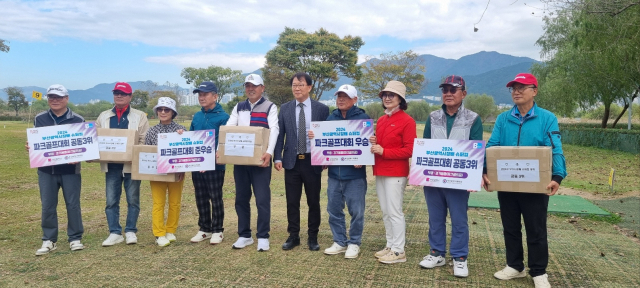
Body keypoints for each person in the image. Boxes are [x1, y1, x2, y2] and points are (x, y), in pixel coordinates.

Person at [482, 73, 566, 288]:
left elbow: (555, 149)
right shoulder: (503, 119)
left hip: (536, 186)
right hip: (506, 184)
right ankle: (515, 266)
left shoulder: (547, 118)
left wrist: (557, 176)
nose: (516, 92)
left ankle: (538, 271)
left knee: (535, 229)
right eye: (513, 88)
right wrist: (484, 169)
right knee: (510, 227)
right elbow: (492, 146)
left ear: (534, 91)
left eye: (522, 87)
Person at [419, 75, 483, 277]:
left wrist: (474, 176)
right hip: (434, 177)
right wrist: (421, 173)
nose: (448, 93)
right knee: (435, 218)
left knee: (459, 219)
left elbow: (475, 148)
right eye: (444, 90)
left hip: (459, 179)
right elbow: (426, 145)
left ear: (463, 93)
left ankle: (460, 257)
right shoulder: (433, 116)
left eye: (452, 90)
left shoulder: (473, 118)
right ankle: (437, 253)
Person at [308, 84, 369, 259]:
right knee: (334, 209)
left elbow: (367, 145)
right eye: (339, 96)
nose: (341, 100)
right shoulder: (331, 118)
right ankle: (340, 241)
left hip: (355, 176)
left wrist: (362, 159)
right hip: (334, 174)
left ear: (355, 99)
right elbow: (324, 142)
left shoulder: (362, 118)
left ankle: (355, 242)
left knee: (356, 211)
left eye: (346, 97)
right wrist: (315, 139)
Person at [274, 72, 330, 251]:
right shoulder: (285, 108)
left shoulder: (321, 109)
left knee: (313, 200)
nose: (296, 88)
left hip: (312, 161)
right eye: (294, 85)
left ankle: (313, 236)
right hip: (291, 161)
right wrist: (277, 156)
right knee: (292, 201)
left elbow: (327, 134)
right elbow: (280, 134)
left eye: (300, 84)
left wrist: (325, 156)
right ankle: (294, 235)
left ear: (309, 87)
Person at [28, 84, 85, 255]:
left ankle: (75, 238)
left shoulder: (78, 120)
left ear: (66, 98)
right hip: (46, 170)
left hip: (70, 171)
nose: (55, 100)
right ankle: (49, 239)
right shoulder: (39, 118)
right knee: (48, 206)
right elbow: (37, 142)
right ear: (47, 98)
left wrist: (78, 156)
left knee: (73, 205)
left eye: (59, 97)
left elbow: (84, 147)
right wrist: (31, 146)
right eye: (51, 97)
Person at [225, 74, 279, 251]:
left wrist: (269, 153)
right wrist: (222, 149)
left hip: (261, 161)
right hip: (241, 162)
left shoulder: (269, 106)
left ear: (262, 87)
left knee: (262, 199)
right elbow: (229, 128)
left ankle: (263, 236)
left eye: (254, 85)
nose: (251, 89)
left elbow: (274, 131)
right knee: (241, 198)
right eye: (247, 85)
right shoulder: (239, 107)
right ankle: (244, 235)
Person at [96, 82, 149, 247]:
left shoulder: (140, 116)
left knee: (133, 199)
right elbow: (95, 138)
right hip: (111, 167)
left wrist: (133, 155)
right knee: (111, 200)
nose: (119, 96)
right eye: (116, 93)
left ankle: (131, 230)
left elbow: (143, 139)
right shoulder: (103, 116)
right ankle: (114, 232)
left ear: (130, 97)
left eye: (123, 93)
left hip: (131, 166)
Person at [369, 81, 416, 264]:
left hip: (396, 172)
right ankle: (390, 244)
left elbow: (410, 150)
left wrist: (384, 152)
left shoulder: (407, 121)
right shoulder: (381, 119)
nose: (387, 98)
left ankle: (398, 251)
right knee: (386, 211)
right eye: (385, 95)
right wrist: (374, 141)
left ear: (400, 99)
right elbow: (380, 145)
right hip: (380, 170)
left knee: (395, 211)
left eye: (392, 95)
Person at [189, 81, 230, 245]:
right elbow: (190, 138)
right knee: (200, 197)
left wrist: (208, 160)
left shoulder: (224, 117)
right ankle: (204, 228)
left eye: (205, 94)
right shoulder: (197, 116)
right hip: (197, 164)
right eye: (199, 95)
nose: (201, 97)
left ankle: (217, 230)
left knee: (215, 197)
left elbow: (222, 142)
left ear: (215, 96)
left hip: (215, 165)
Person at [143, 97, 186, 247]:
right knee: (158, 203)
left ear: (173, 112)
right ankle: (159, 233)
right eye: (160, 109)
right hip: (156, 173)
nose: (163, 112)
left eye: (166, 109)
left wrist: (183, 137)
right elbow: (145, 153)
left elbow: (186, 154)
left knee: (175, 202)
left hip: (176, 172)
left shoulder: (181, 130)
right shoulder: (151, 131)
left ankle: (170, 230)